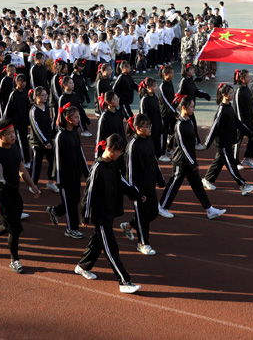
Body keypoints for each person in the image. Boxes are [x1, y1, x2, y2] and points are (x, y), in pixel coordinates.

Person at [76, 133, 145, 294]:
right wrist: (85, 216)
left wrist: (137, 194)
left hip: (109, 212)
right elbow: (89, 194)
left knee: (97, 242)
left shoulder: (114, 165)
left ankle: (82, 266)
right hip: (100, 216)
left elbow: (122, 182)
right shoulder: (97, 169)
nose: (119, 154)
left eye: (121, 152)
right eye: (118, 151)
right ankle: (124, 281)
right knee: (111, 248)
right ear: (108, 149)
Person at [0, 118, 40, 273]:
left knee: (11, 224)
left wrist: (32, 185)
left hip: (15, 194)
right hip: (2, 196)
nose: (13, 136)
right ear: (0, 136)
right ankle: (15, 260)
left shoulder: (14, 149)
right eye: (9, 134)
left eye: (14, 133)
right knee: (14, 229)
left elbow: (21, 169)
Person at [160, 96, 226, 219]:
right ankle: (163, 207)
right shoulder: (179, 124)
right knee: (174, 184)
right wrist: (192, 162)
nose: (193, 109)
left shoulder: (189, 121)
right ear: (184, 107)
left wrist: (192, 160)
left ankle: (209, 209)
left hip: (190, 161)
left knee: (197, 185)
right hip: (181, 162)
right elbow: (182, 146)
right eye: (191, 107)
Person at [120, 113, 165, 255]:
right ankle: (143, 243)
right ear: (138, 128)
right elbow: (130, 172)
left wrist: (160, 178)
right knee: (142, 216)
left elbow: (153, 161)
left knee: (153, 212)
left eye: (149, 125)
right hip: (139, 189)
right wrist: (134, 193)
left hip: (150, 185)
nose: (149, 128)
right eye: (146, 127)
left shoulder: (148, 140)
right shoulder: (133, 146)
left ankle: (128, 225)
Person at [201, 83, 253, 196]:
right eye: (231, 93)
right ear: (224, 95)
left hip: (228, 141)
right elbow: (214, 128)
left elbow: (237, 122)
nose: (233, 94)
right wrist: (207, 143)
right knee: (231, 165)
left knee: (219, 161)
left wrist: (249, 133)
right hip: (222, 143)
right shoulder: (221, 110)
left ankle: (207, 179)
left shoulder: (229, 107)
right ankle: (243, 185)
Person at [48, 105, 89, 239]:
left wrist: (87, 173)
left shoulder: (75, 133)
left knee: (75, 199)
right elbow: (58, 160)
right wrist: (59, 180)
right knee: (70, 202)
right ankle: (71, 228)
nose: (78, 120)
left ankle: (55, 211)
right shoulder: (61, 136)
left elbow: (80, 154)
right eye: (76, 117)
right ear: (68, 119)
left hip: (75, 173)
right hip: (64, 177)